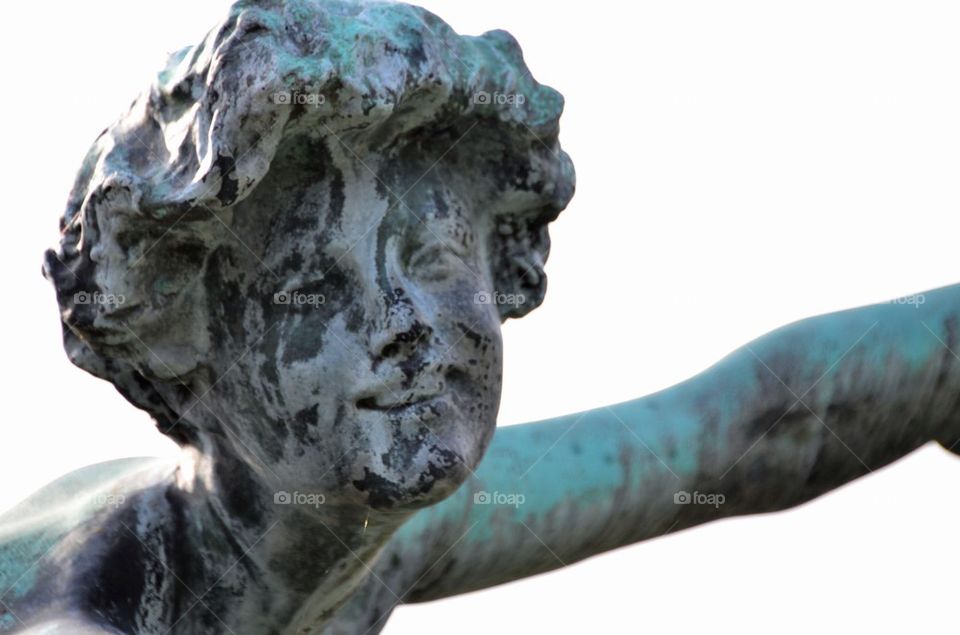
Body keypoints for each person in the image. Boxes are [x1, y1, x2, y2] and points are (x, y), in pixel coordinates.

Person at [3, 1, 957, 633]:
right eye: (311, 287)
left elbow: (750, 430)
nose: (403, 320)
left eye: (434, 259)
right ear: (176, 340)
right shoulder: (97, 611)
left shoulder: (339, 528)